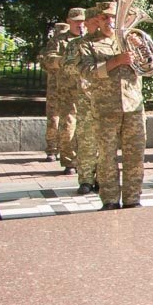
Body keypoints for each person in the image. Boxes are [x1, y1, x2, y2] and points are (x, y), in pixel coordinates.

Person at [76, 0, 153, 210]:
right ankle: (109, 199)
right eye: (105, 17)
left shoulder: (130, 40)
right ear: (97, 20)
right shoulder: (87, 44)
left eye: (113, 17)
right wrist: (116, 61)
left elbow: (150, 68)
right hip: (105, 108)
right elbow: (87, 72)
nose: (110, 21)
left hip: (133, 107)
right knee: (106, 156)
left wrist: (141, 49)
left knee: (135, 156)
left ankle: (132, 198)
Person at [62, 10, 99, 195]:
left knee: (105, 141)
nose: (82, 25)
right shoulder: (75, 44)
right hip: (85, 97)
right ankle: (86, 179)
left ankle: (102, 177)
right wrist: (87, 69)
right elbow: (68, 67)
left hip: (107, 98)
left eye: (86, 21)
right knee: (86, 139)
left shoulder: (107, 42)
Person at [39, 15, 80, 170]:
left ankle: (85, 161)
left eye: (82, 21)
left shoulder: (89, 38)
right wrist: (63, 60)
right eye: (76, 21)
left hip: (86, 89)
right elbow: (47, 60)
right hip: (62, 88)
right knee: (61, 120)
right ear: (69, 22)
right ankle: (60, 154)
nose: (80, 24)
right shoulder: (58, 41)